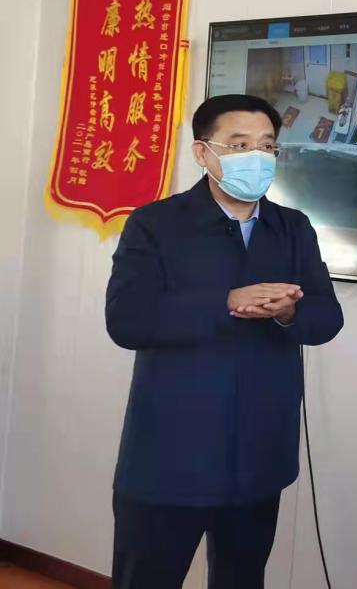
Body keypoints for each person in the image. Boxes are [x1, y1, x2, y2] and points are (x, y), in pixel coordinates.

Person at [105, 94, 344, 589]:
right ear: (202, 152)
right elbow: (126, 320)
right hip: (169, 457)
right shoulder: (155, 224)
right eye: (239, 145)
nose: (256, 157)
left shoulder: (292, 228)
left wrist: (289, 311)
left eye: (267, 146)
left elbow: (328, 317)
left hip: (258, 457)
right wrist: (225, 302)